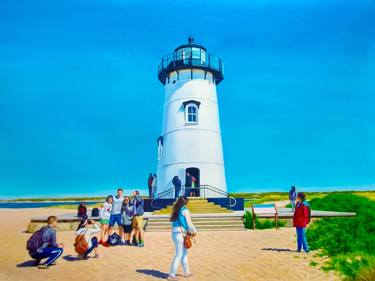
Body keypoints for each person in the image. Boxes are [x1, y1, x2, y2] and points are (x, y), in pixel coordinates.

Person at [168, 196, 197, 281]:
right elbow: (189, 223)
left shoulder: (176, 210)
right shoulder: (185, 210)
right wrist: (194, 231)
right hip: (181, 234)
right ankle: (171, 275)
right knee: (179, 254)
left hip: (175, 233)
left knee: (183, 254)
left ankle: (187, 272)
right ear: (186, 202)